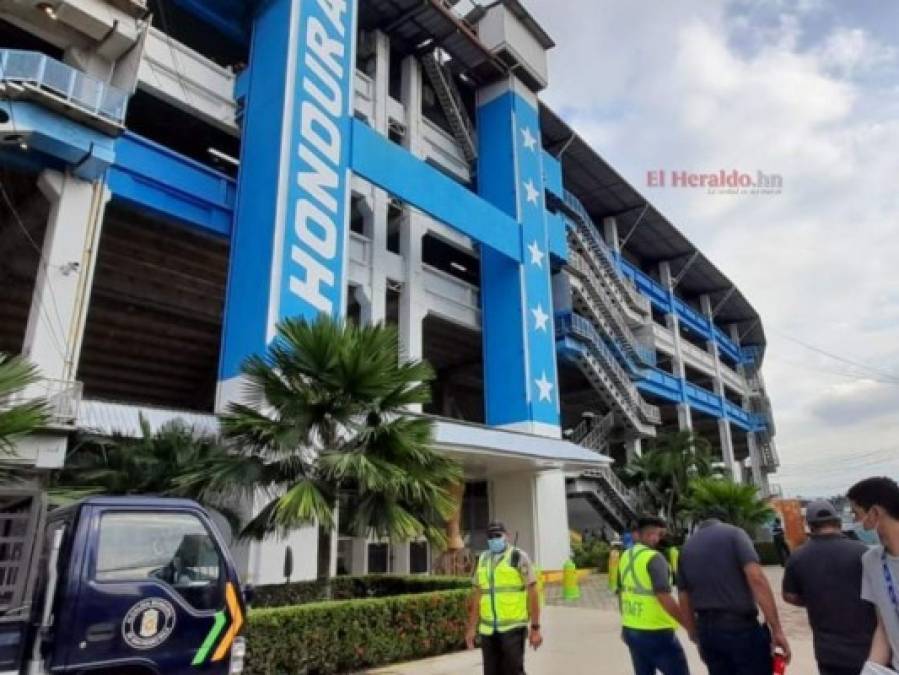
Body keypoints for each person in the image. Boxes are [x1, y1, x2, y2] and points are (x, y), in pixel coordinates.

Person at [677, 507, 791, 675]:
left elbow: (683, 597)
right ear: (725, 520)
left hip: (708, 632)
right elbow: (756, 579)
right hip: (740, 628)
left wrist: (695, 635)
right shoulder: (735, 534)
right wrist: (777, 630)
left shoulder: (686, 548)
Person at [782, 499, 876, 675]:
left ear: (809, 526)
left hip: (828, 652)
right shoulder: (863, 552)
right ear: (838, 522)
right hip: (869, 650)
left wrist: (814, 599)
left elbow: (789, 596)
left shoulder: (798, 557)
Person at [465, 521, 542, 674]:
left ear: (507, 536)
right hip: (488, 630)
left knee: (513, 671)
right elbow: (477, 595)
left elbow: (533, 593)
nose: (494, 539)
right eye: (490, 536)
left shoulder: (518, 557)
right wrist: (472, 628)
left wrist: (535, 628)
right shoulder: (482, 559)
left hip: (512, 628)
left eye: (497, 535)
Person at [617, 515, 690, 675]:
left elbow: (621, 593)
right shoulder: (655, 558)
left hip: (632, 629)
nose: (659, 538)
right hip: (656, 630)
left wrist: (625, 625)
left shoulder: (625, 557)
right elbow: (663, 596)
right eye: (658, 534)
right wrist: (688, 625)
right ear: (649, 535)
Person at [848, 477, 899, 673]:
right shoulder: (872, 561)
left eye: (856, 513)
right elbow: (885, 625)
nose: (855, 522)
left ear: (875, 512)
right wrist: (871, 668)